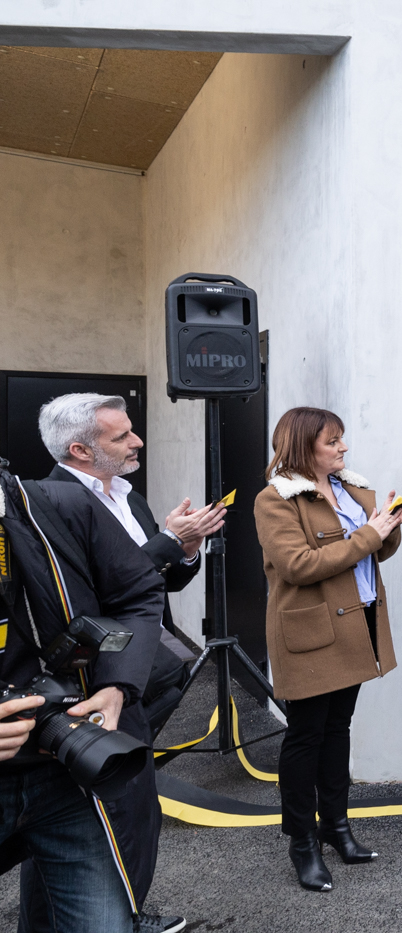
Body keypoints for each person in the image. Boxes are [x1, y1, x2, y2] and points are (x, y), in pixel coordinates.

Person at [34, 392, 224, 932]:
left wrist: (186, 548)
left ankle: (117, 913)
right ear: (79, 450)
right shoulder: (50, 502)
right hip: (93, 685)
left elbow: (151, 590)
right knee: (109, 815)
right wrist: (167, 542)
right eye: (121, 437)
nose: (136, 441)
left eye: (131, 429)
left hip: (137, 674)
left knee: (133, 813)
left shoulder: (128, 496)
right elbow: (88, 598)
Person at [0, 458, 167, 932]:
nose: (136, 441)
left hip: (67, 771)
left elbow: (136, 593)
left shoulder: (58, 505)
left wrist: (116, 684)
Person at [253, 407, 402, 892]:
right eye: (333, 442)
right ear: (303, 447)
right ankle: (303, 842)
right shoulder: (275, 498)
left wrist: (391, 523)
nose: (343, 448)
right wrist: (370, 533)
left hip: (357, 620)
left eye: (342, 440)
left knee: (338, 729)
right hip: (309, 630)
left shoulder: (352, 488)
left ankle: (337, 828)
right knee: (305, 736)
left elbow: (376, 551)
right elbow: (299, 565)